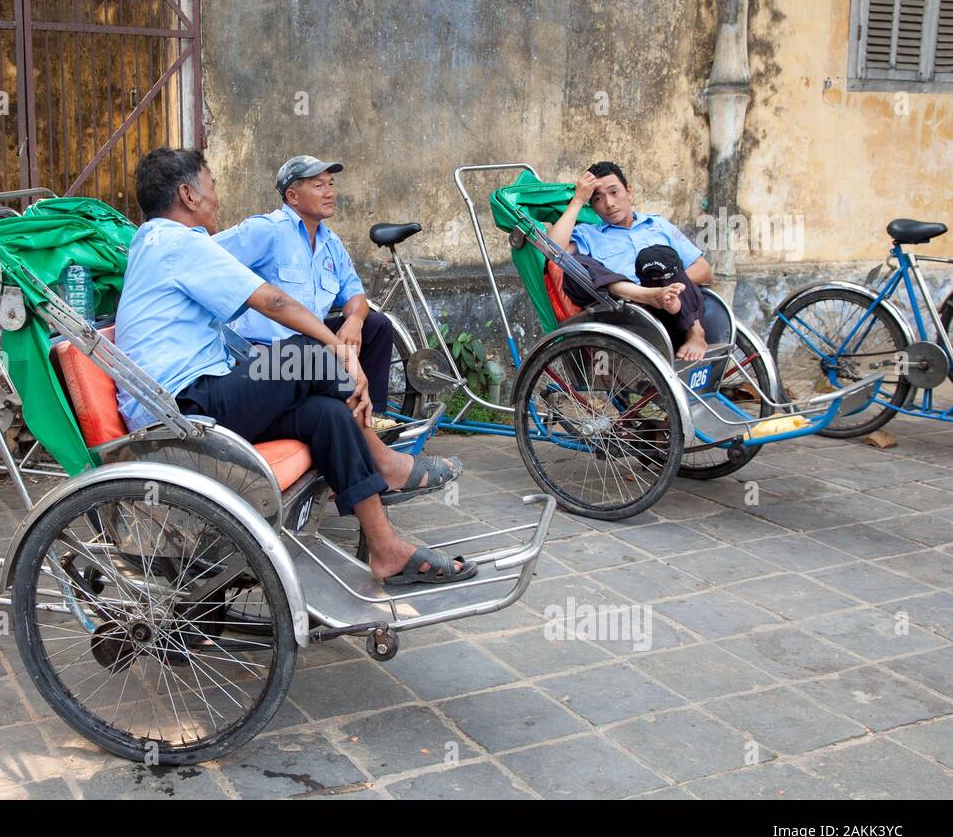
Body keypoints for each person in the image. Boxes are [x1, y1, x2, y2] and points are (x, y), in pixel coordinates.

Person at [113, 147, 471, 586]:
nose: (216, 196)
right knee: (302, 353)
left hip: (204, 394)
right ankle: (386, 462)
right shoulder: (175, 241)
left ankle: (386, 549)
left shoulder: (158, 241)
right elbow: (273, 301)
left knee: (328, 415)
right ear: (188, 194)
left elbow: (346, 298)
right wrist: (340, 357)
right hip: (182, 409)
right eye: (212, 184)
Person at [212, 155, 397, 415]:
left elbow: (355, 293)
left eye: (330, 184)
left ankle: (374, 417)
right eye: (318, 185)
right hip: (265, 353)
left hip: (313, 344)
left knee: (377, 325)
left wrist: (354, 321)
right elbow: (207, 258)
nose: (329, 192)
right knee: (314, 359)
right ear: (293, 196)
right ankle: (349, 418)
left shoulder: (331, 243)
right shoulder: (267, 230)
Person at [545, 161, 713, 361]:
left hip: (676, 310)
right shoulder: (589, 235)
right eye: (598, 198)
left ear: (629, 191)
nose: (609, 203)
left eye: (614, 192)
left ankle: (695, 332)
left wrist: (667, 284)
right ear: (593, 206)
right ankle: (647, 294)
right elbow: (553, 251)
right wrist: (578, 200)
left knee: (654, 258)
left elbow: (704, 270)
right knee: (577, 263)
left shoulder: (658, 225)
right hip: (634, 320)